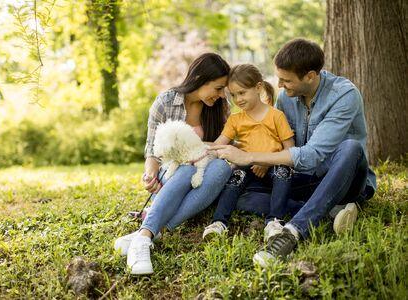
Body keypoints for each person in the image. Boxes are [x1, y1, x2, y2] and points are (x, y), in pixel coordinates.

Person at [210, 39, 377, 267]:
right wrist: (254, 157)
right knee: (241, 191)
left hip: (342, 179)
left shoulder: (344, 95)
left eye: (286, 80)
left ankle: (293, 232)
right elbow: (277, 142)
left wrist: (251, 157)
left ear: (310, 76)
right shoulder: (286, 99)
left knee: (351, 148)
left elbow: (312, 154)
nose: (279, 85)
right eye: (279, 78)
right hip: (301, 179)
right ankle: (327, 210)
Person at [113, 53, 232, 275]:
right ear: (199, 78)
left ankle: (148, 231)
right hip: (173, 176)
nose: (221, 94)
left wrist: (199, 148)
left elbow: (224, 148)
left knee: (222, 168)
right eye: (217, 88)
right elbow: (152, 150)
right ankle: (146, 236)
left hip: (203, 176)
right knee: (186, 166)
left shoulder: (220, 108)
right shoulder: (165, 102)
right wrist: (150, 175)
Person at [202, 64, 302, 241]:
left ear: (258, 88)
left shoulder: (276, 116)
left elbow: (291, 151)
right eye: (232, 95)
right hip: (246, 166)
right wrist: (194, 147)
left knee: (283, 170)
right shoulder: (235, 120)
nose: (237, 99)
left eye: (241, 93)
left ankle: (274, 222)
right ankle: (219, 222)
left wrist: (267, 162)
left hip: (273, 166)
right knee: (236, 176)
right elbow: (218, 146)